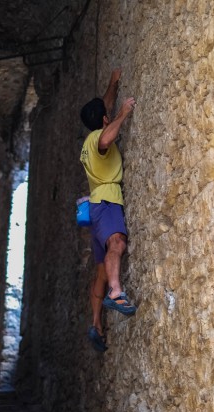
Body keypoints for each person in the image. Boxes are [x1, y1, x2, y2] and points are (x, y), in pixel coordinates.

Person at [79, 68, 137, 352]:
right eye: (108, 115)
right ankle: (116, 292)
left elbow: (105, 104)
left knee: (101, 268)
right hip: (106, 203)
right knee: (117, 242)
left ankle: (95, 322)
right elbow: (106, 138)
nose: (110, 113)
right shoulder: (97, 139)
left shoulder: (89, 137)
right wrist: (124, 114)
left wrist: (113, 82)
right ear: (103, 121)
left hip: (96, 208)